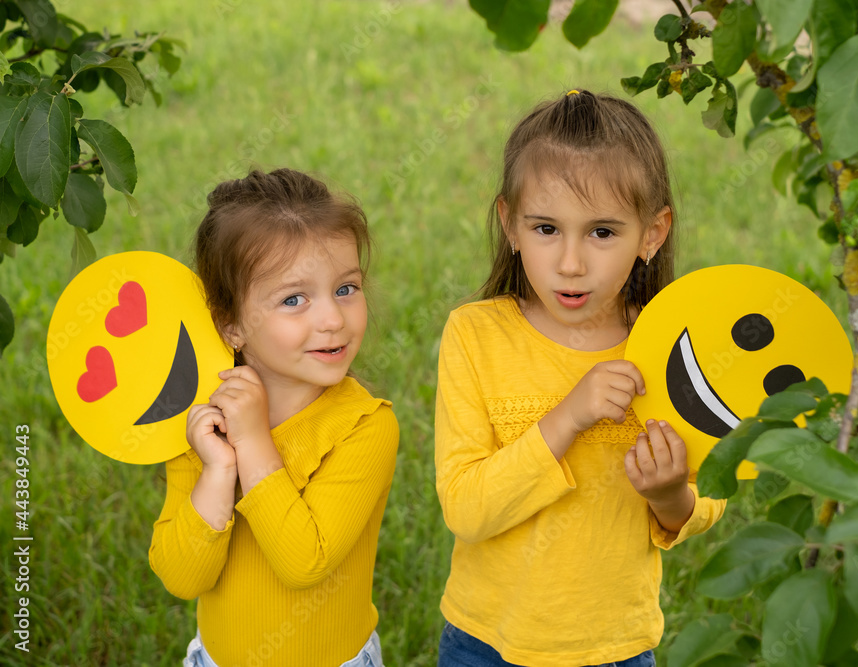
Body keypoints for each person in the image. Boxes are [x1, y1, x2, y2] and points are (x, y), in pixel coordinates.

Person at [434, 90, 727, 667]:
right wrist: (566, 418)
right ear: (509, 225)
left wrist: (671, 496)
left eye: (601, 232)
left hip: (613, 649)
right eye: (546, 228)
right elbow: (465, 510)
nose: (570, 262)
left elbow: (712, 491)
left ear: (652, 232)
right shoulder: (475, 336)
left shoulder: (671, 351)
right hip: (485, 643)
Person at [149, 168, 398, 667]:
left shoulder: (365, 426)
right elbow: (182, 577)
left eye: (346, 289)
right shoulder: (201, 424)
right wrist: (218, 472)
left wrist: (254, 441)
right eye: (293, 299)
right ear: (232, 324)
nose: (332, 318)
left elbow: (304, 561)